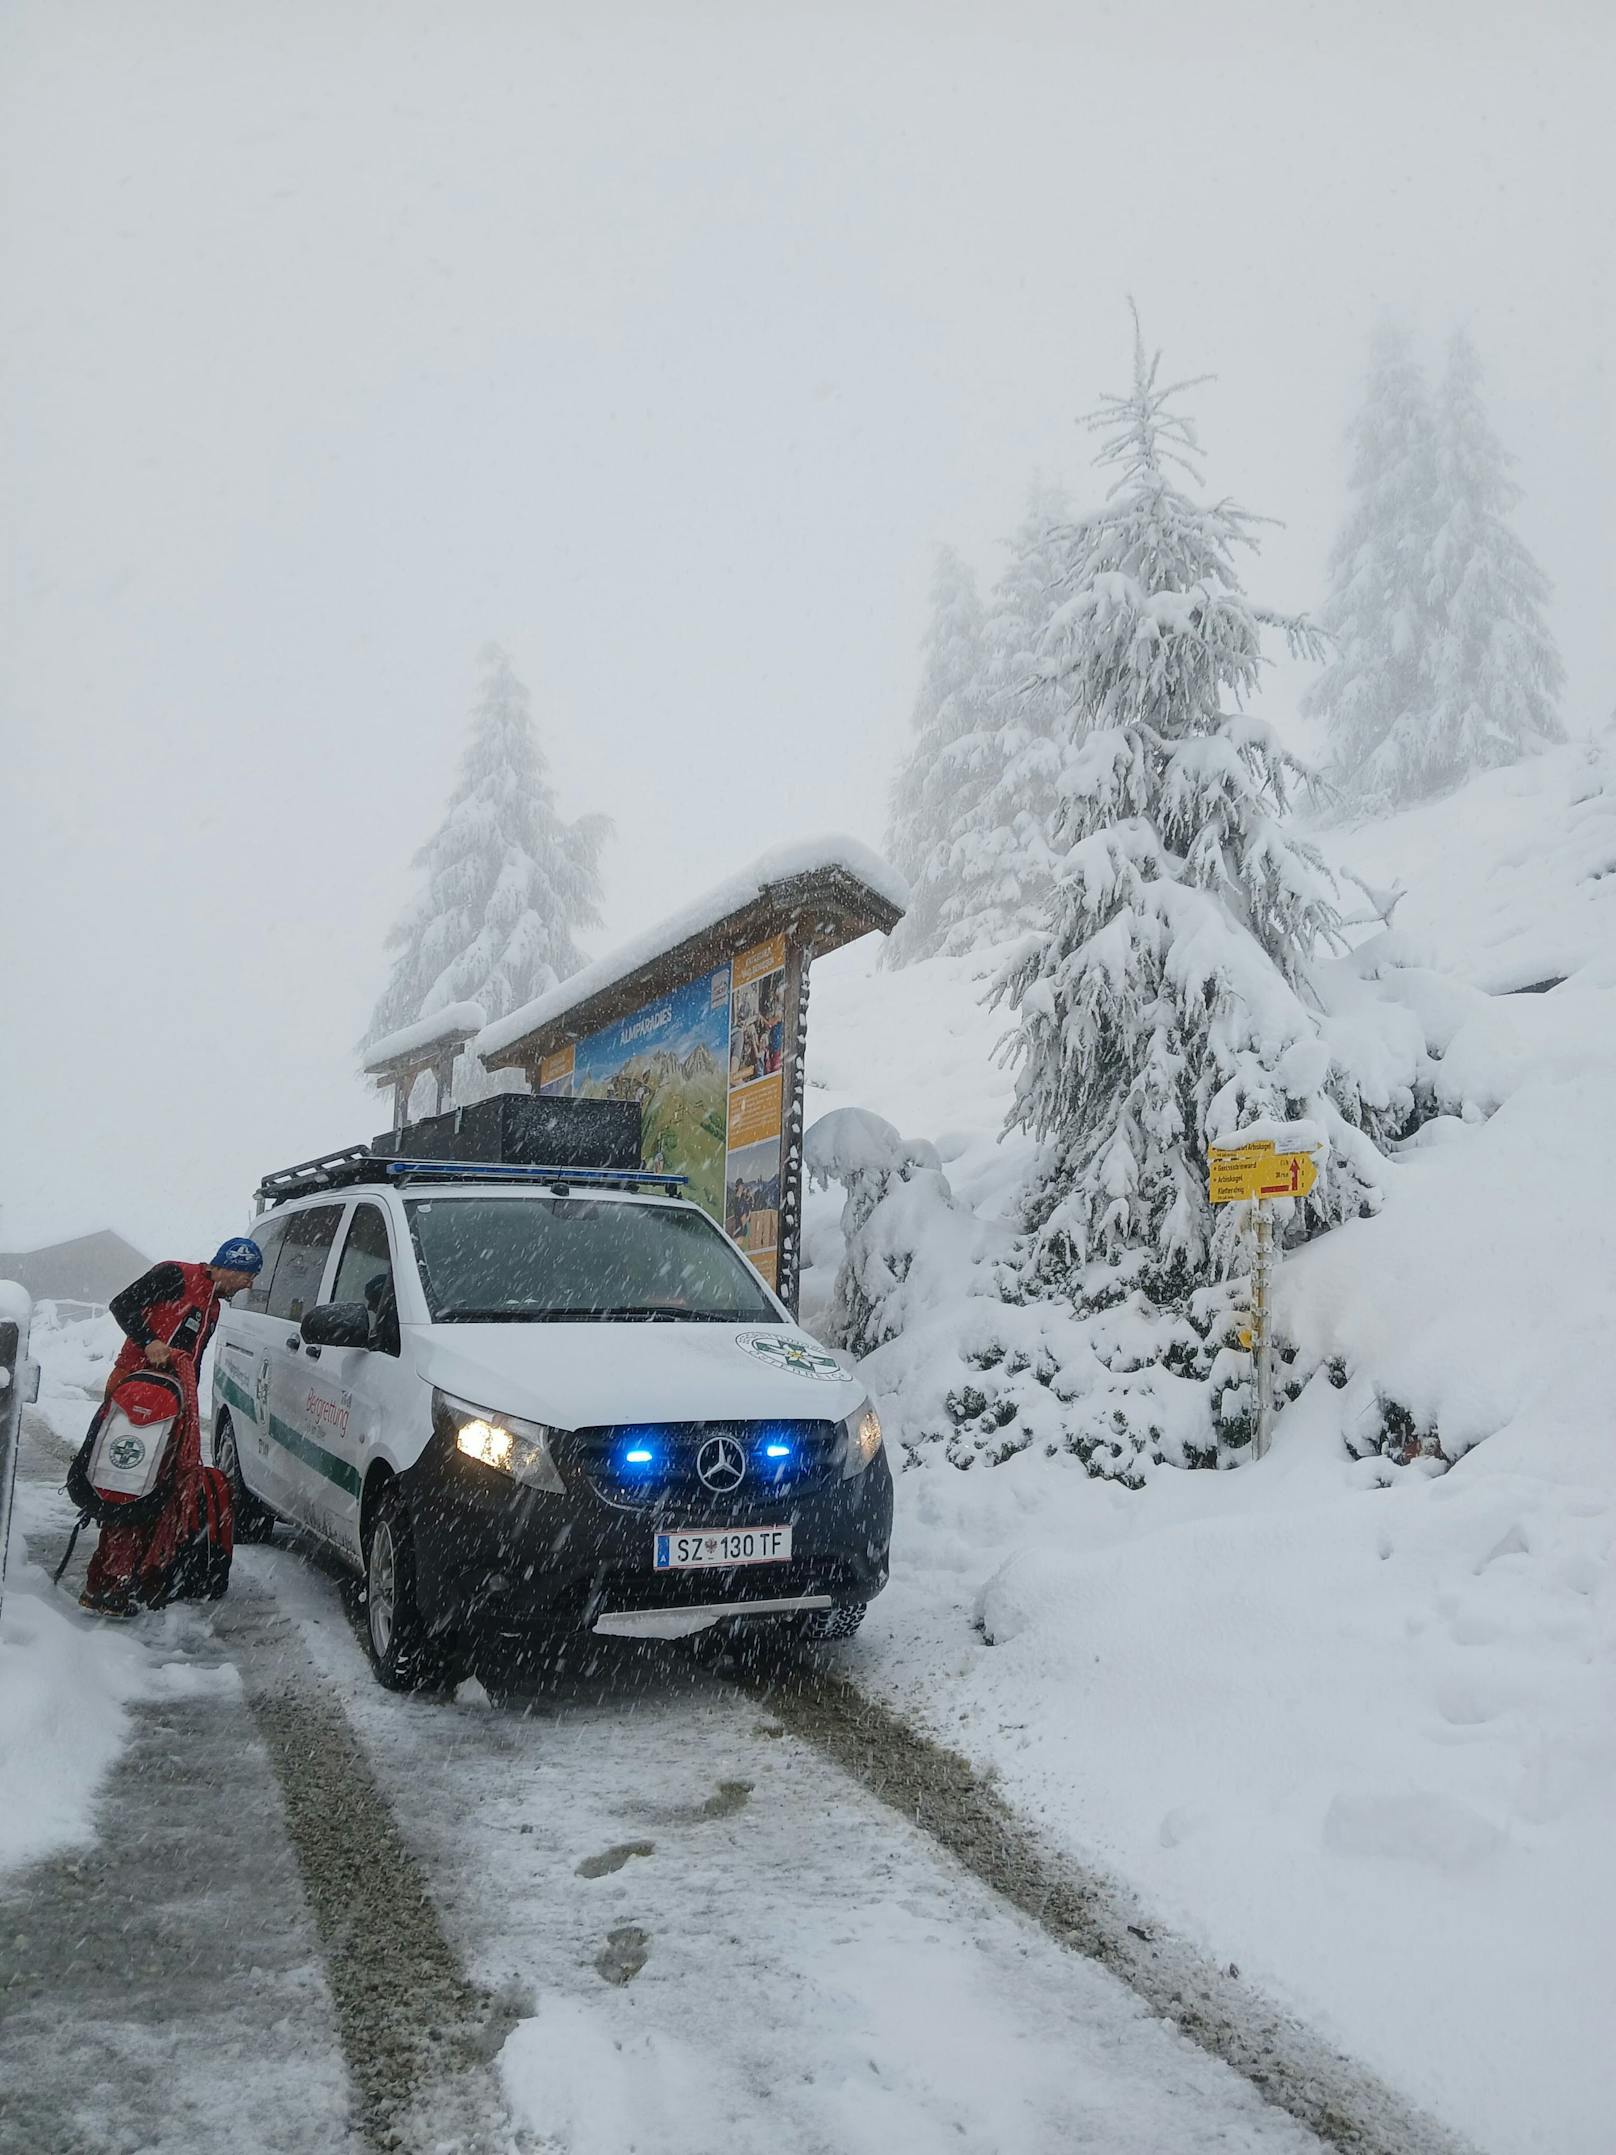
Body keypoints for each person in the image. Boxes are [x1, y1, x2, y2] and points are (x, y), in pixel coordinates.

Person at [79, 1238, 264, 1616]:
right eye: (248, 1277)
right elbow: (122, 1304)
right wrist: (149, 1342)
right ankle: (108, 1582)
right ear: (232, 1266)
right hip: (137, 1394)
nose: (249, 1285)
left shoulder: (213, 1304)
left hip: (171, 1404)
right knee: (127, 1486)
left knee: (156, 1488)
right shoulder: (175, 1275)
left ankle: (132, 1575)